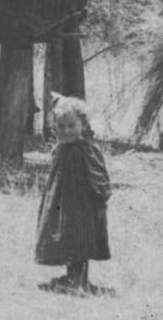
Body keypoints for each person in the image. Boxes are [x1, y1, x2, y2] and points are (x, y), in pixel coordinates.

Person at [36, 93, 111, 294]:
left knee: (81, 239)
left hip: (82, 205)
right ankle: (72, 276)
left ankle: (80, 281)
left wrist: (99, 200)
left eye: (72, 126)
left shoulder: (86, 149)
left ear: (83, 125)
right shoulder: (61, 149)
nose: (67, 131)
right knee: (67, 238)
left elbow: (99, 175)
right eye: (61, 127)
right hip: (63, 203)